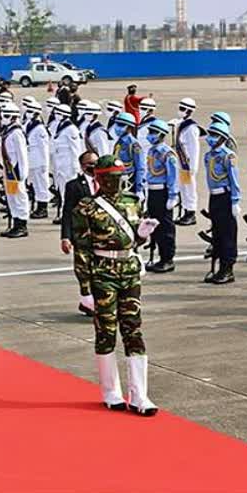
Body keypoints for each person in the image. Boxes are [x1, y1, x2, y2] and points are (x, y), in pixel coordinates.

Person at [72, 153, 160, 417]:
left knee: (134, 330)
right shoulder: (86, 208)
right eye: (110, 178)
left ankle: (139, 394)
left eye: (119, 178)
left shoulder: (133, 202)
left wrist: (143, 236)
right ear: (100, 179)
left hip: (129, 270)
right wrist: (84, 288)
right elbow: (82, 250)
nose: (116, 183)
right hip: (103, 273)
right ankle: (111, 391)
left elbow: (134, 239)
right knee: (107, 330)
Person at [61, 151, 100, 316]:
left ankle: (95, 301)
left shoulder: (106, 182)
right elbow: (68, 212)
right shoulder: (74, 186)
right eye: (89, 163)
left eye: (96, 163)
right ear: (82, 166)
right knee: (83, 270)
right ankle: (86, 299)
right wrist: (65, 237)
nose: (93, 166)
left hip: (101, 235)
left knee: (99, 270)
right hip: (82, 235)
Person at [203, 121, 241, 284]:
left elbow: (234, 180)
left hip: (226, 198)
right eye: (210, 135)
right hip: (214, 197)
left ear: (223, 138)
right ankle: (218, 267)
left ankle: (228, 269)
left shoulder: (228, 156)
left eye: (215, 135)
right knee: (217, 234)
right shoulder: (209, 155)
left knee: (227, 234)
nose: (211, 139)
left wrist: (235, 201)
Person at [145, 119, 179, 273]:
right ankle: (158, 256)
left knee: (165, 228)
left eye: (153, 132)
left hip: (163, 192)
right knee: (154, 226)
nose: (150, 135)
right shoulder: (152, 151)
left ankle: (167, 258)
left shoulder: (167, 153)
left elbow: (173, 176)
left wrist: (173, 196)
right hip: (153, 191)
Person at [0, 102, 30, 238]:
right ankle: (15, 222)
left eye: (6, 115)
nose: (3, 118)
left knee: (19, 197)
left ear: (13, 117)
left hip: (16, 170)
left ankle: (22, 224)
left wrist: (22, 173)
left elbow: (22, 154)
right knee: (11, 197)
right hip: (9, 169)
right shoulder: (8, 130)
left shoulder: (17, 133)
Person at [51, 104, 82, 224]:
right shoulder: (61, 126)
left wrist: (76, 166)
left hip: (69, 166)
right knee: (63, 192)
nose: (56, 115)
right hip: (61, 165)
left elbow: (75, 149)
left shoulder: (71, 129)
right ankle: (65, 215)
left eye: (58, 113)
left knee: (70, 194)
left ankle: (71, 216)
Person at [173, 98, 200, 226]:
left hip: (187, 165)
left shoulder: (191, 128)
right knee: (183, 188)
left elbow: (194, 148)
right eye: (180, 108)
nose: (180, 111)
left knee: (189, 188)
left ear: (190, 111)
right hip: (181, 164)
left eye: (183, 109)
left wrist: (192, 167)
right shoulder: (182, 124)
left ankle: (191, 213)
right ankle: (185, 210)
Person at [23, 99, 51, 220]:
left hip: (39, 161)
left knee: (42, 184)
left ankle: (43, 207)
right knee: (36, 184)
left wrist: (45, 163)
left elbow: (44, 147)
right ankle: (38, 206)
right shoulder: (28, 124)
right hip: (32, 160)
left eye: (30, 111)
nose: (27, 113)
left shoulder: (40, 129)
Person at [112, 112, 146, 202]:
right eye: (117, 124)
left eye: (121, 125)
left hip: (130, 184)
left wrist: (139, 189)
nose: (117, 127)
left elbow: (140, 168)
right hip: (118, 182)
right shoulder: (119, 142)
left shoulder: (134, 145)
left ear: (129, 127)